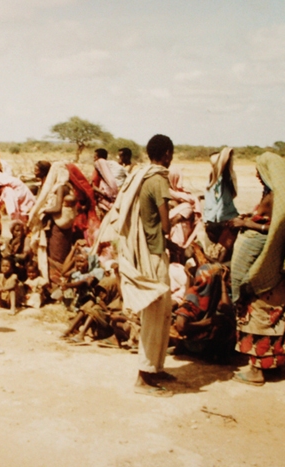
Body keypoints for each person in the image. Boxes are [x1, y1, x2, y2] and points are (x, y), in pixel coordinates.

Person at [230, 152, 285, 385]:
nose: (256, 175)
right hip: (278, 271)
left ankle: (256, 371)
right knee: (273, 317)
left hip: (267, 269)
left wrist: (246, 223)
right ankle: (272, 365)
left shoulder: (279, 198)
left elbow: (273, 227)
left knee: (258, 314)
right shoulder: (284, 195)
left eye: (259, 170)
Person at [99, 134, 175, 396]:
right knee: (156, 316)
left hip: (143, 251)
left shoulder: (141, 176)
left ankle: (155, 367)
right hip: (153, 254)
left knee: (161, 313)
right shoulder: (159, 180)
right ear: (166, 154)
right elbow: (165, 225)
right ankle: (144, 377)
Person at [204, 147, 239, 224]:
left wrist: (227, 151)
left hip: (223, 217)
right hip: (211, 217)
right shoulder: (212, 176)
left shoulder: (226, 175)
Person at [91, 148, 119, 215]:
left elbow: (109, 194)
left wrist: (96, 189)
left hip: (105, 204)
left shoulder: (108, 177)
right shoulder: (106, 175)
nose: (94, 159)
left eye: (95, 157)